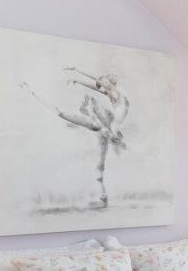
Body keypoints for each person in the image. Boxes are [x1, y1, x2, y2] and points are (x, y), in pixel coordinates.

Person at [20, 69, 130, 209]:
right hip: (99, 123)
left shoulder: (106, 120)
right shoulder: (106, 117)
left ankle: (103, 197)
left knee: (100, 162)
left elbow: (99, 89)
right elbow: (64, 110)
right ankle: (103, 197)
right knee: (99, 156)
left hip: (99, 124)